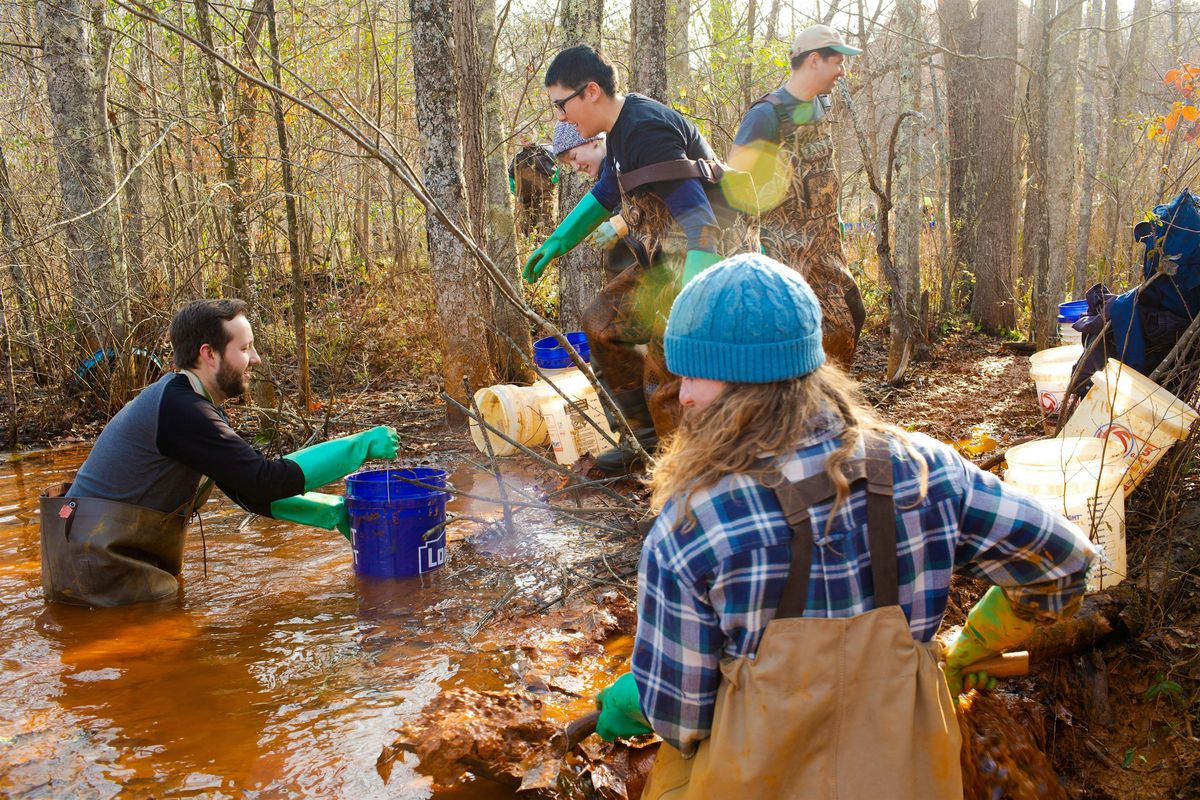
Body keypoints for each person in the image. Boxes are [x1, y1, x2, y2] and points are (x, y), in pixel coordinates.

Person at [592, 253, 1097, 798]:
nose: (682, 394)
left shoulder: (694, 523)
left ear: (747, 382)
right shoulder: (930, 470)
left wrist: (640, 700)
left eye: (695, 375)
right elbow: (1063, 562)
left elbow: (681, 720)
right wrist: (975, 641)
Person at [40, 299, 400, 607]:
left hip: (97, 566)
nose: (255, 359)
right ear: (208, 354)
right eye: (245, 349)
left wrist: (329, 511)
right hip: (96, 572)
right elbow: (264, 481)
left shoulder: (189, 403)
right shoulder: (182, 410)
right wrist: (360, 446)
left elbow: (245, 489)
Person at [525, 45, 758, 465]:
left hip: (704, 261)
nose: (561, 118)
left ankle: (678, 475)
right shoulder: (620, 132)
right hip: (663, 262)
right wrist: (557, 242)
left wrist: (691, 300)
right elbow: (606, 195)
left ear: (590, 91)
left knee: (666, 367)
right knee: (601, 323)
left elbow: (701, 222)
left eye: (561, 105)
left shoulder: (645, 129)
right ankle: (645, 441)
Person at [729, 24, 866, 367]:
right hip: (782, 252)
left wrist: (835, 227)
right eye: (837, 62)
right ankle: (794, 407)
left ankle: (827, 403)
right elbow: (734, 188)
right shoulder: (766, 115)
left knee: (851, 316)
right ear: (814, 60)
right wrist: (751, 251)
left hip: (825, 249)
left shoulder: (819, 106)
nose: (842, 71)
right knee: (793, 337)